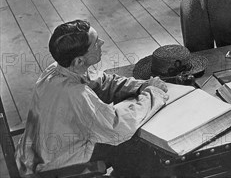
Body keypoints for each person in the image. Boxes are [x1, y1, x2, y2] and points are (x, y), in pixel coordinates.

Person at [15, 20, 168, 176]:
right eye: (95, 44)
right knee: (133, 142)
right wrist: (152, 93)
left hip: (34, 154)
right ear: (79, 60)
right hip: (51, 168)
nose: (101, 43)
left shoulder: (57, 69)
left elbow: (102, 82)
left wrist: (140, 86)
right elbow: (116, 127)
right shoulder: (75, 94)